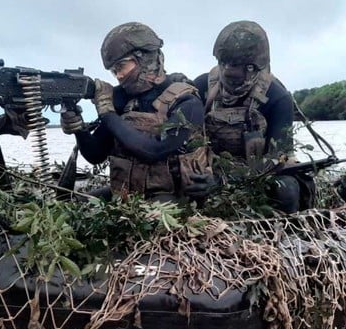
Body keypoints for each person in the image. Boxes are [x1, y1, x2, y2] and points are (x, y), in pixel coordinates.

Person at [59, 22, 211, 201]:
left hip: (170, 198)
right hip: (129, 194)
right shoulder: (125, 100)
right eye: (114, 71)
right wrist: (79, 128)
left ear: (145, 58)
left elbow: (155, 151)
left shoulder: (186, 101)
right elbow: (96, 155)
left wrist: (107, 113)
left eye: (121, 66)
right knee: (74, 204)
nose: (119, 76)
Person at [188, 20, 303, 212]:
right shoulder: (201, 86)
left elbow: (278, 160)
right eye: (222, 63)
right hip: (210, 168)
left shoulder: (277, 97)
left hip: (257, 174)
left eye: (234, 65)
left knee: (286, 189)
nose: (226, 71)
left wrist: (224, 181)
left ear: (254, 68)